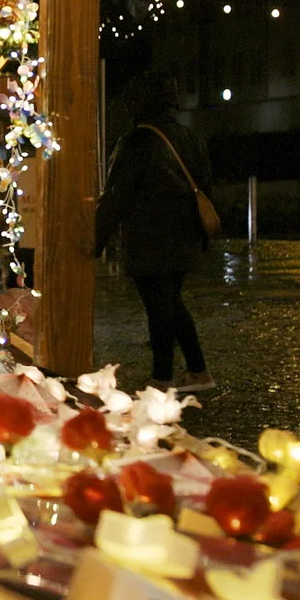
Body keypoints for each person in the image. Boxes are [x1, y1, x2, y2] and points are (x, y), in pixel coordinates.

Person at [93, 72, 216, 394]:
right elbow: (205, 185)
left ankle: (163, 377)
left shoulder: (136, 142)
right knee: (172, 302)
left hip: (149, 237)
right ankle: (198, 370)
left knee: (160, 307)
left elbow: (117, 197)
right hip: (184, 235)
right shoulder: (190, 138)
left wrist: (94, 240)